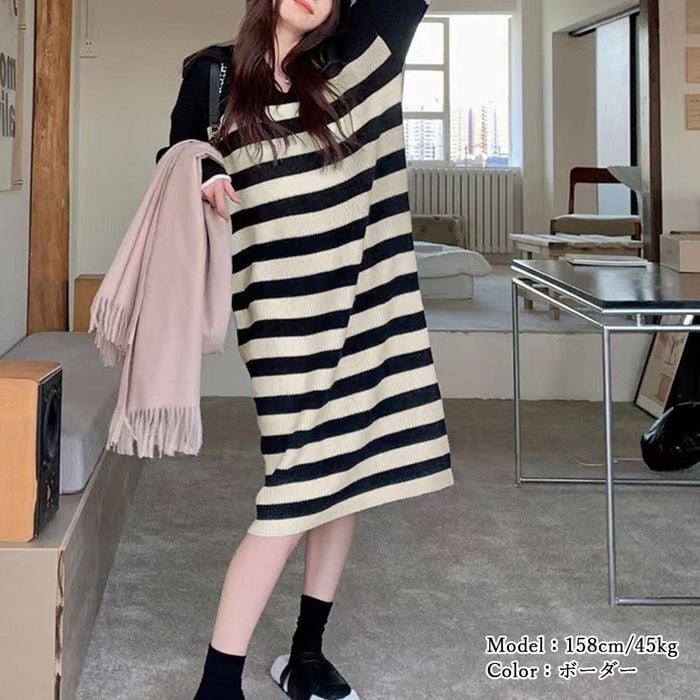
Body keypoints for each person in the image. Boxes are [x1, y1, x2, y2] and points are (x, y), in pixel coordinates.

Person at [158, 1, 454, 698]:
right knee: (293, 489)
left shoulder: (349, 66)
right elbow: (175, 158)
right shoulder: (215, 76)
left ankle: (306, 654)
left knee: (343, 477)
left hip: (361, 309)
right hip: (280, 321)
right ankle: (217, 684)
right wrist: (204, 174)